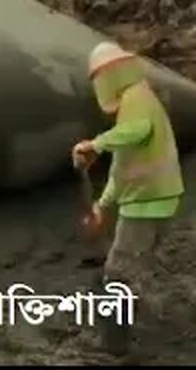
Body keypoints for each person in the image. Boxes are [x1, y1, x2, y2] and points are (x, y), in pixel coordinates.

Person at [72, 41, 184, 357]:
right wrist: (102, 205)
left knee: (119, 271)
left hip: (147, 202)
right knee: (136, 265)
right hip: (159, 199)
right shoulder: (137, 100)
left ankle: (113, 346)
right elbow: (122, 169)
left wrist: (96, 144)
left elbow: (137, 130)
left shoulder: (137, 97)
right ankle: (134, 322)